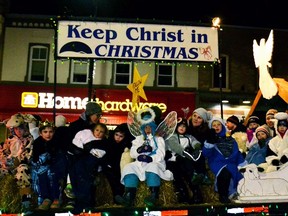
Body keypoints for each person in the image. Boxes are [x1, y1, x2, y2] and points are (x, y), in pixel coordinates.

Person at [116, 110, 173, 207]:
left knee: (152, 167)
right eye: (145, 127)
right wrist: (139, 151)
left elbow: (161, 154)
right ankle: (129, 197)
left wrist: (151, 159)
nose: (147, 129)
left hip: (155, 162)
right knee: (128, 168)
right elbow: (132, 153)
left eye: (149, 126)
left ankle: (154, 196)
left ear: (153, 127)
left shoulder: (159, 139)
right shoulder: (138, 139)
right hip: (139, 163)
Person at [66, 101, 103, 214]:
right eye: (97, 115)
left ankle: (85, 202)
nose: (98, 117)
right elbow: (68, 144)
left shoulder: (98, 128)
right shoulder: (75, 126)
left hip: (92, 158)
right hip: (78, 157)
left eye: (100, 115)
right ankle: (79, 201)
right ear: (90, 114)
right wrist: (78, 151)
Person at [203, 116, 246, 203]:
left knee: (237, 173)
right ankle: (223, 195)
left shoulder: (231, 139)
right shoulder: (210, 139)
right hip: (217, 162)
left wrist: (243, 164)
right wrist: (210, 142)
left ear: (222, 126)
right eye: (214, 125)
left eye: (218, 124)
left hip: (230, 162)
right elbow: (206, 154)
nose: (216, 127)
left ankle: (233, 194)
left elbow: (236, 152)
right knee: (225, 172)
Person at [70, 122, 109, 214]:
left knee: (86, 181)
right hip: (81, 162)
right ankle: (80, 203)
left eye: (101, 132)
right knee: (78, 179)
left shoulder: (103, 143)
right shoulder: (85, 135)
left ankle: (85, 204)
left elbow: (100, 155)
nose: (98, 133)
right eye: (97, 130)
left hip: (91, 165)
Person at [2, 113, 34, 214]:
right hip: (9, 167)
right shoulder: (10, 140)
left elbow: (26, 157)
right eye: (16, 129)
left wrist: (14, 161)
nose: (18, 131)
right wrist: (4, 161)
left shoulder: (29, 140)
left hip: (23, 166)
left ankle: (26, 202)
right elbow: (4, 153)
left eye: (20, 128)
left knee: (23, 172)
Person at [165, 117, 203, 204]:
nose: (182, 128)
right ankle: (183, 195)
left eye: (184, 126)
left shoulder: (188, 137)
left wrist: (197, 147)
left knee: (189, 174)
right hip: (174, 160)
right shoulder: (172, 136)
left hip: (186, 159)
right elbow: (175, 147)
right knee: (178, 176)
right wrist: (185, 153)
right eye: (180, 126)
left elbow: (194, 142)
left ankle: (197, 194)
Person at [30, 120, 60, 210]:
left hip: (53, 165)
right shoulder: (37, 143)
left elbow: (57, 156)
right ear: (40, 133)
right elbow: (35, 157)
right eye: (45, 132)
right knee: (42, 176)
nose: (48, 134)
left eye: (50, 132)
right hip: (41, 166)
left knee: (53, 176)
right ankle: (46, 198)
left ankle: (56, 198)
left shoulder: (56, 142)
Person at [101, 123, 133, 202]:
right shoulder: (109, 142)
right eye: (116, 135)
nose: (118, 138)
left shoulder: (126, 146)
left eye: (121, 136)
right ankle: (117, 195)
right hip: (108, 166)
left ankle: (120, 196)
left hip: (119, 167)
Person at [187, 107, 213, 185]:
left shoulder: (206, 131)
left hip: (200, 153)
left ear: (203, 121)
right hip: (186, 152)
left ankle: (202, 175)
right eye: (194, 116)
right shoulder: (185, 127)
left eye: (199, 118)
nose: (195, 119)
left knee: (198, 153)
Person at [49, 115, 70, 208]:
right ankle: (66, 198)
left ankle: (57, 198)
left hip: (58, 158)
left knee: (57, 178)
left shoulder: (55, 133)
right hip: (66, 157)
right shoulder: (68, 132)